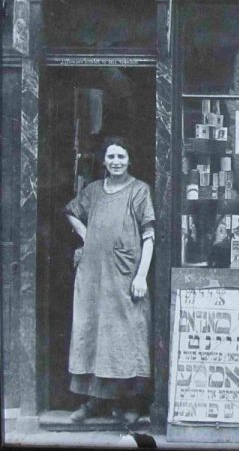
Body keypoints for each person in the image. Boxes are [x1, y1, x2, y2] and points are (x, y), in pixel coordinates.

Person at [64, 136, 155, 425]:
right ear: (104, 160)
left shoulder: (139, 190)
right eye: (111, 157)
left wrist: (141, 275)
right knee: (92, 333)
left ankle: (129, 402)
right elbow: (70, 212)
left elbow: (149, 236)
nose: (116, 162)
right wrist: (87, 236)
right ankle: (92, 401)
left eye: (121, 157)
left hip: (124, 276)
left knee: (125, 336)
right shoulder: (93, 190)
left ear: (130, 160)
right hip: (93, 276)